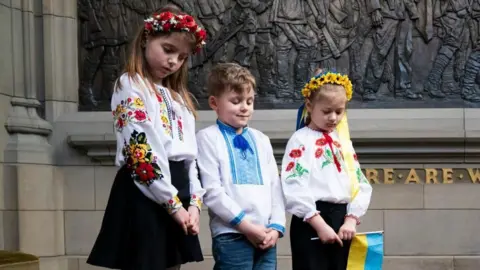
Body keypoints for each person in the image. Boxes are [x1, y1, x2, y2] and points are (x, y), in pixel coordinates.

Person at [86, 5, 207, 270]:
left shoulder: (180, 99)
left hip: (179, 190)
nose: (174, 61)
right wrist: (174, 206)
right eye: (168, 50)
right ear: (145, 39)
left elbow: (191, 156)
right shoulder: (130, 84)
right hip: (145, 190)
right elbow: (140, 151)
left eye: (182, 57)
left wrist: (195, 204)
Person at [196, 63, 286, 270]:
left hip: (266, 233)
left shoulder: (261, 140)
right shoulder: (207, 138)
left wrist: (276, 227)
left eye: (249, 101)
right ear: (214, 102)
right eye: (235, 101)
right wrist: (246, 226)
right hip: (231, 234)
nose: (245, 107)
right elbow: (212, 191)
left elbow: (275, 187)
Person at [282, 69, 373, 270]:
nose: (333, 118)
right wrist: (319, 225)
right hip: (311, 221)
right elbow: (293, 184)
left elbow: (360, 183)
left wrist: (351, 219)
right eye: (326, 111)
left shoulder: (343, 142)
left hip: (342, 222)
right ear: (309, 106)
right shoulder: (301, 139)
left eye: (339, 111)